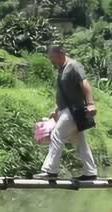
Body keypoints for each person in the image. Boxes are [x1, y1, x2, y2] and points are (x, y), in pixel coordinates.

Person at [34, 45, 98, 181]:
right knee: (80, 142)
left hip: (74, 110)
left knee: (56, 135)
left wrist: (91, 103)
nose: (51, 60)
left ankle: (50, 171)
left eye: (52, 56)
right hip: (66, 110)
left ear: (61, 53)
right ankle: (90, 171)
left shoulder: (74, 66)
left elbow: (85, 84)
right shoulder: (62, 69)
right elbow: (66, 92)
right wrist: (56, 110)